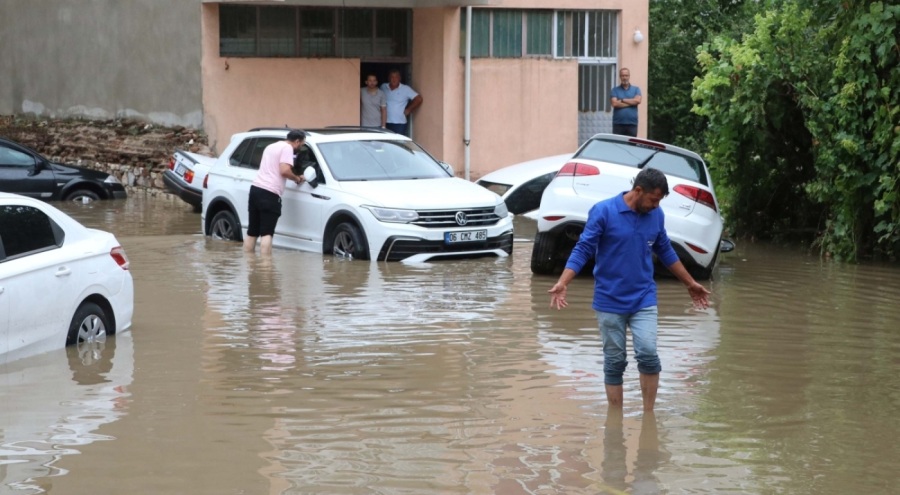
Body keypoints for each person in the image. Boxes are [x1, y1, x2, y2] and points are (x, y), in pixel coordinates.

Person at [548, 167, 710, 412]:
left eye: (659, 201)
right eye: (653, 199)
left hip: (643, 297)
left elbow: (665, 249)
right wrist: (563, 282)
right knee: (614, 361)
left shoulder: (656, 216)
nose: (656, 205)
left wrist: (690, 283)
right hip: (609, 299)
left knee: (648, 353)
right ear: (638, 190)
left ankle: (648, 417)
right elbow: (583, 249)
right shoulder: (604, 211)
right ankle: (615, 420)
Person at [243, 130, 307, 255]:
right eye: (302, 144)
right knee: (267, 233)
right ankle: (266, 270)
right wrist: (297, 178)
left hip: (255, 189)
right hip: (270, 193)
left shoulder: (271, 146)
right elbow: (284, 170)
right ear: (297, 141)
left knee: (252, 232)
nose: (301, 147)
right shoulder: (287, 148)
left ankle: (250, 266)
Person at [380, 69, 422, 136]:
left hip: (400, 123)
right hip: (385, 122)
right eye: (392, 77)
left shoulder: (405, 89)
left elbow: (419, 99)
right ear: (388, 78)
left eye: (396, 77)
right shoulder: (383, 87)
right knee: (386, 143)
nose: (394, 79)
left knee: (399, 143)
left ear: (399, 78)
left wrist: (408, 110)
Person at [610, 67, 641, 137]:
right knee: (618, 145)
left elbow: (638, 100)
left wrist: (622, 100)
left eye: (626, 75)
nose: (624, 77)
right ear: (620, 77)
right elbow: (614, 103)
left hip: (632, 124)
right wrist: (631, 103)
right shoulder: (615, 90)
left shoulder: (636, 89)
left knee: (631, 146)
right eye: (622, 75)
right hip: (618, 124)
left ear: (629, 76)